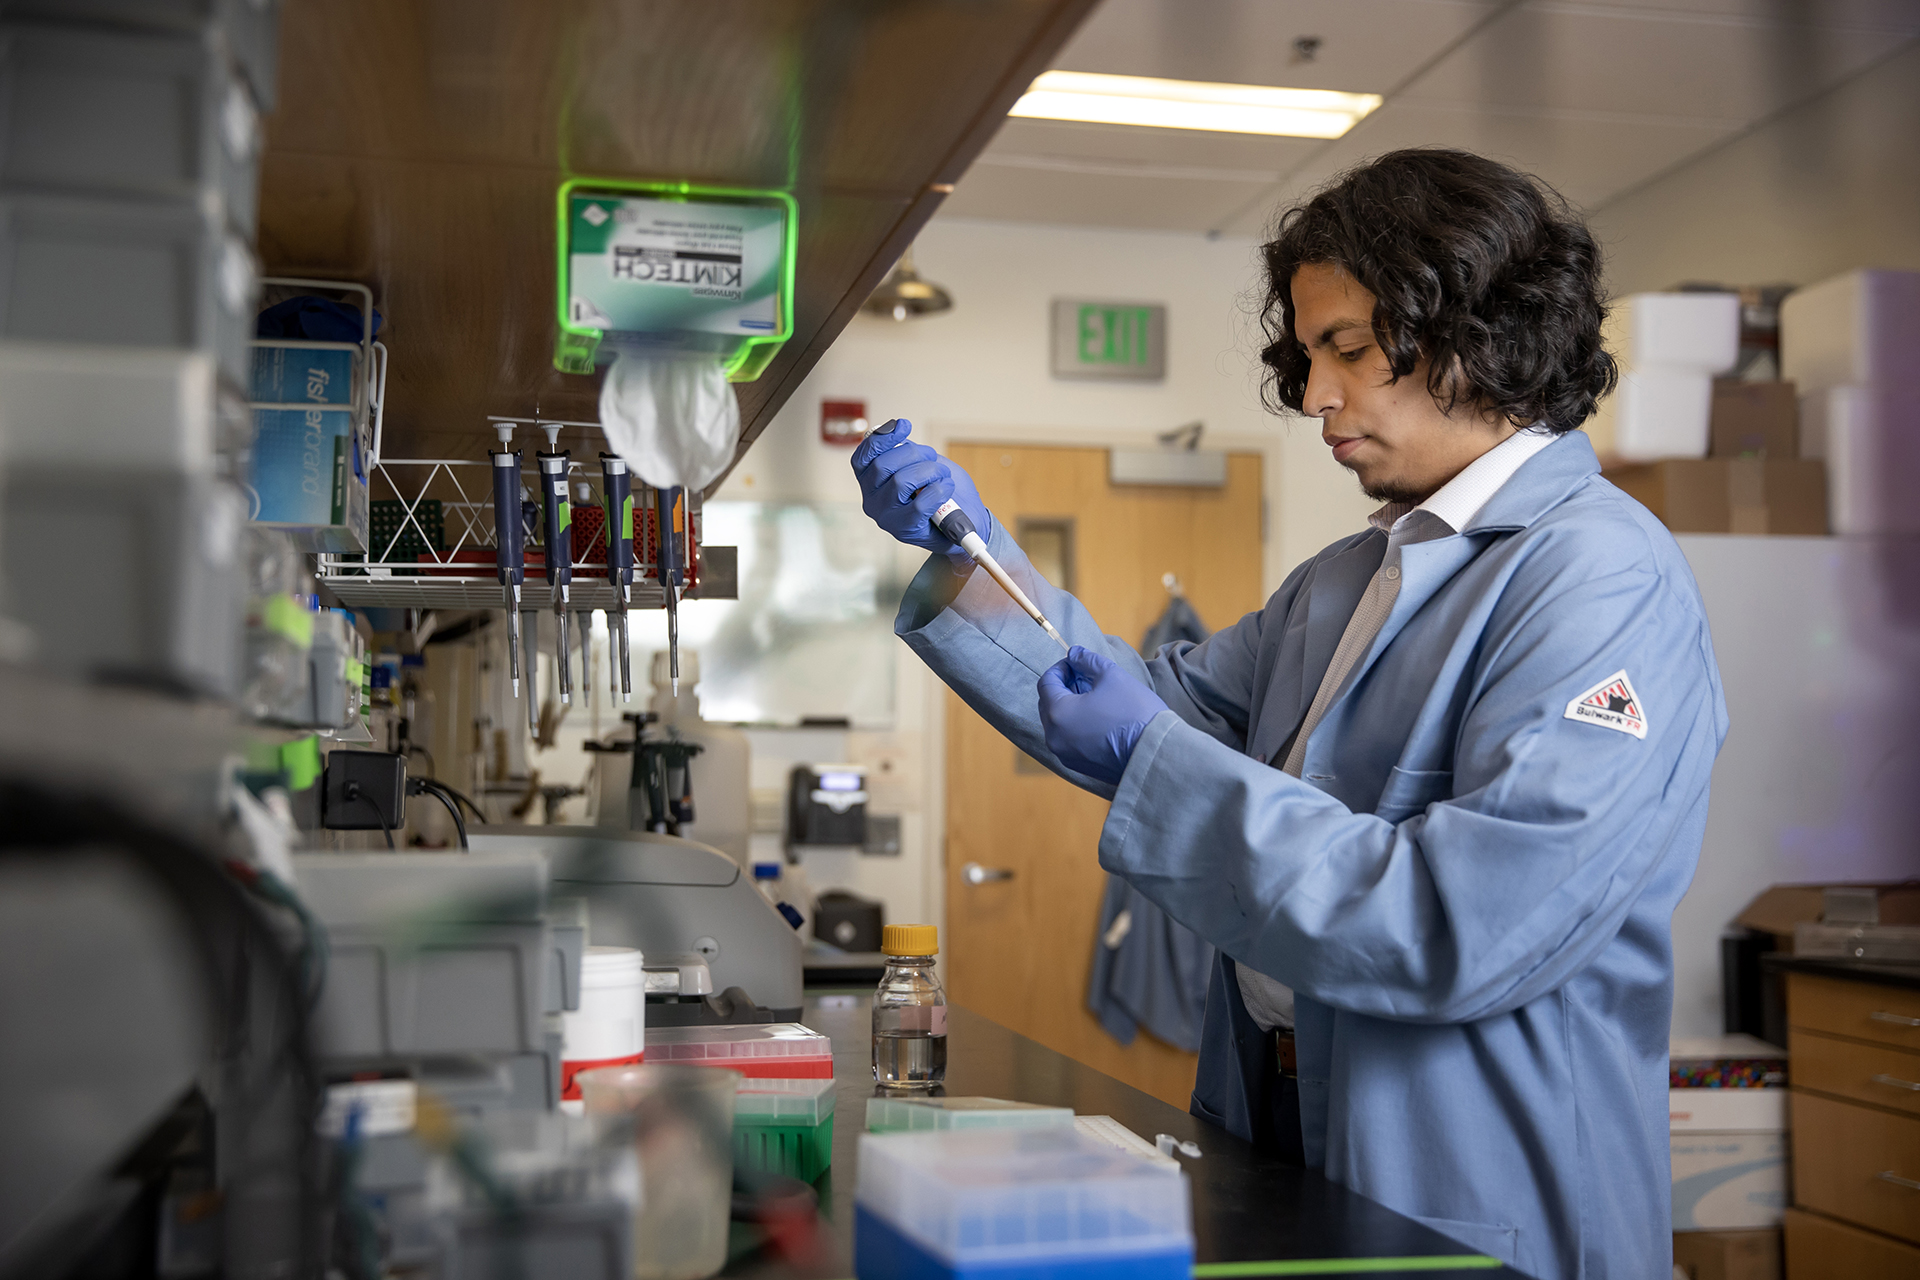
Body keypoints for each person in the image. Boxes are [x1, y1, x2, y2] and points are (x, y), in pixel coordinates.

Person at [851, 148, 1727, 1280]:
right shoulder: (1343, 579)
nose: (1314, 394)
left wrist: (1152, 757)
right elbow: (1128, 708)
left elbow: (1459, 923)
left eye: (1348, 350)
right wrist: (974, 558)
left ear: (1481, 330)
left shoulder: (1601, 580)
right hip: (1276, 1111)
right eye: (1308, 353)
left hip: (1472, 1178)